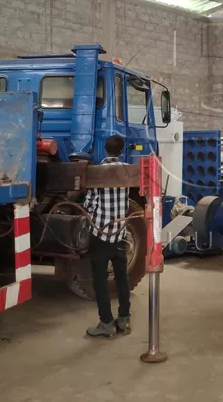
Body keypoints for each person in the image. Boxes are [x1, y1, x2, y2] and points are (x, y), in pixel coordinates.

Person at [84, 135, 132, 339]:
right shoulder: (127, 171)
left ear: (105, 149)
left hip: (101, 235)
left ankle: (106, 323)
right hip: (120, 235)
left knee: (101, 281)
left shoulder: (98, 172)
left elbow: (89, 205)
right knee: (122, 277)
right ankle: (124, 319)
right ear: (121, 151)